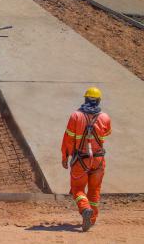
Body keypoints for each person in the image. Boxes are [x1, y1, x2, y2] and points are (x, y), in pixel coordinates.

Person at [61, 87, 112, 232]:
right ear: (99, 100)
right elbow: (107, 132)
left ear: (85, 99)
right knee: (95, 190)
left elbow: (68, 139)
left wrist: (65, 157)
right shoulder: (105, 117)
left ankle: (85, 210)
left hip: (81, 160)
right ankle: (92, 218)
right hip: (98, 160)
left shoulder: (75, 116)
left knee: (77, 189)